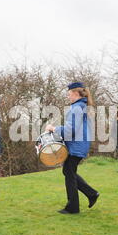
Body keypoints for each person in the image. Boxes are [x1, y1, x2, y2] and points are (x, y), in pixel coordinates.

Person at [46, 82, 99, 214]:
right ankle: (91, 194)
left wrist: (54, 128)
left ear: (75, 93)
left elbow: (71, 131)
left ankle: (73, 207)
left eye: (69, 94)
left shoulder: (77, 107)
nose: (68, 97)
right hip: (79, 145)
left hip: (76, 146)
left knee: (69, 173)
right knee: (69, 172)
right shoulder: (82, 106)